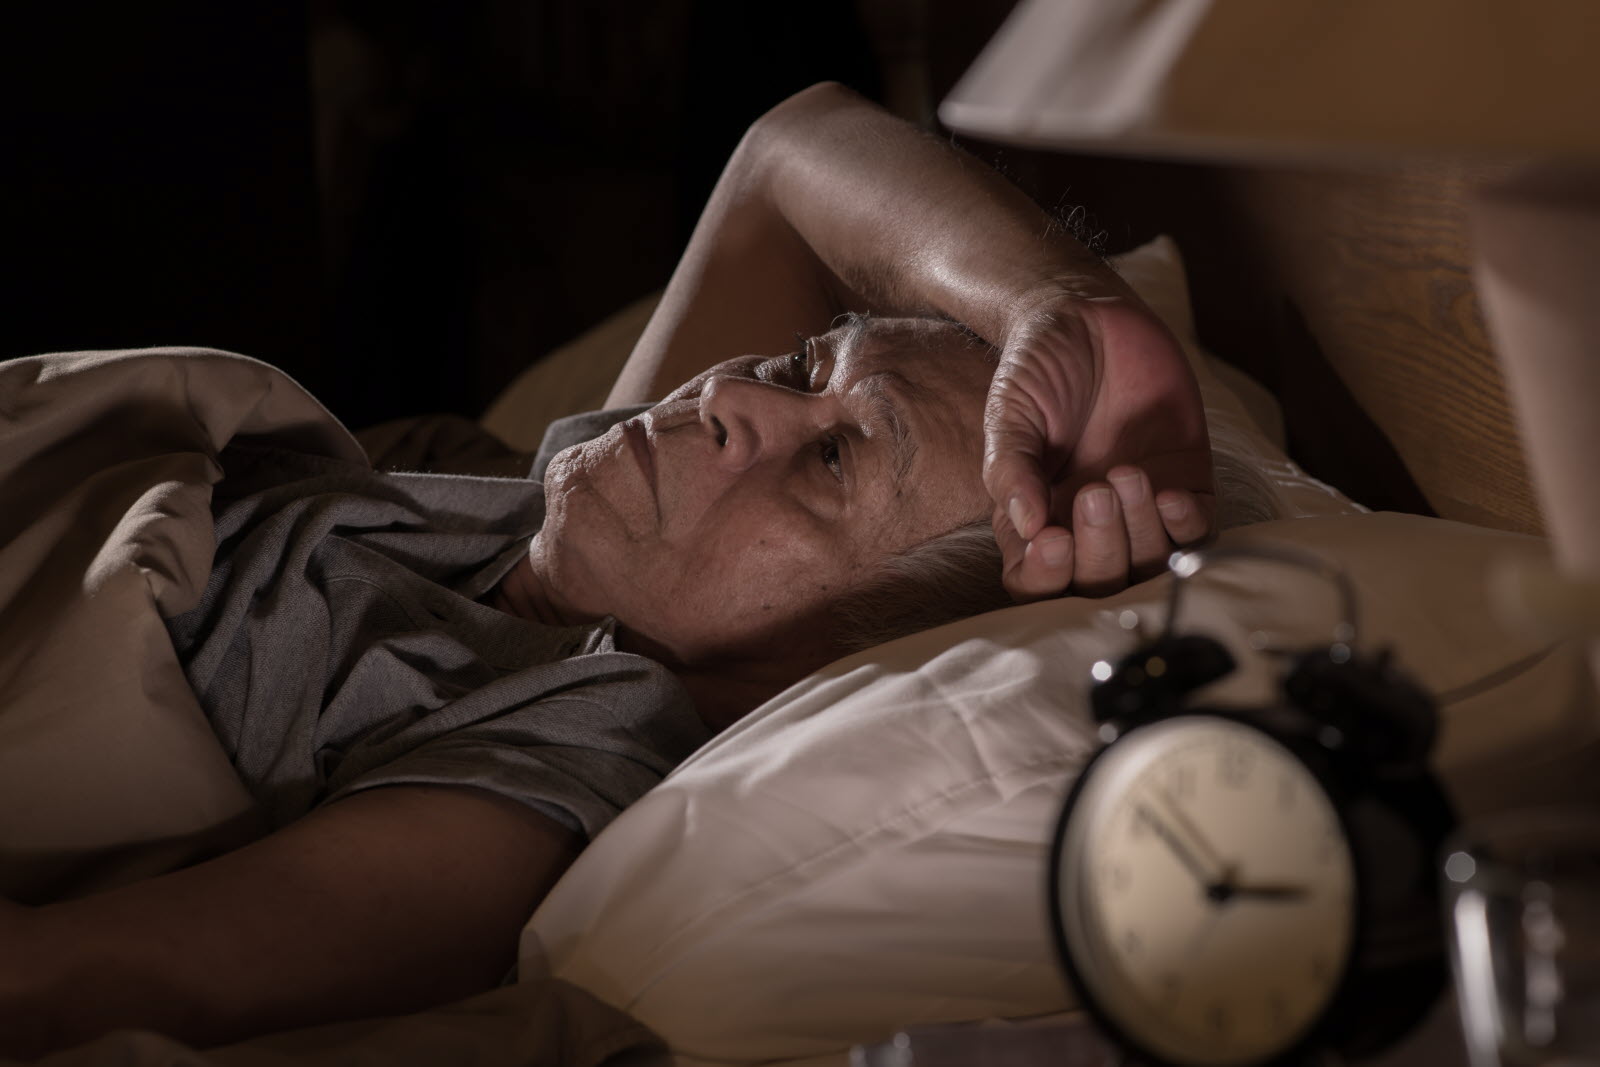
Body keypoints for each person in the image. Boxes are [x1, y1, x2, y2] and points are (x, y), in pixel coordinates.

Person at [0, 83, 1212, 1057]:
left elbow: (65, 986)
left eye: (832, 460)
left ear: (838, 656)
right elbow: (791, 151)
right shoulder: (553, 515)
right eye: (798, 369)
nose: (734, 394)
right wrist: (1058, 301)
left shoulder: (560, 752)